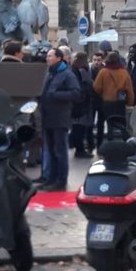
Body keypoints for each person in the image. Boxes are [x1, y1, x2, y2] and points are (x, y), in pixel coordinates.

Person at [39, 48, 81, 191]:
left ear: (59, 58)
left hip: (60, 118)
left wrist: (55, 95)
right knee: (50, 150)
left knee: (60, 151)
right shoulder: (49, 73)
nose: (47, 58)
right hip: (47, 118)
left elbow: (76, 93)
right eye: (47, 56)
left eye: (50, 56)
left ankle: (60, 180)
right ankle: (50, 178)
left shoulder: (67, 74)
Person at [92, 52, 135, 135]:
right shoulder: (124, 72)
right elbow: (130, 90)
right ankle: (123, 142)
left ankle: (101, 143)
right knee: (121, 124)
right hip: (120, 103)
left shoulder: (103, 72)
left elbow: (96, 87)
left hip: (106, 102)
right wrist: (130, 103)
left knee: (102, 123)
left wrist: (102, 93)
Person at [70, 52, 94, 158]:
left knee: (78, 127)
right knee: (79, 127)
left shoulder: (74, 70)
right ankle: (79, 150)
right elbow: (81, 86)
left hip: (77, 103)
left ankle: (78, 148)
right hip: (78, 104)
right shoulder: (78, 71)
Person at [89, 52, 105, 151]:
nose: (96, 62)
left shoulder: (104, 71)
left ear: (102, 60)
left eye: (98, 60)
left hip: (102, 100)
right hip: (92, 100)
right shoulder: (89, 70)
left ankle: (100, 145)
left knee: (101, 123)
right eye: (94, 60)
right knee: (90, 123)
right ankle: (91, 144)